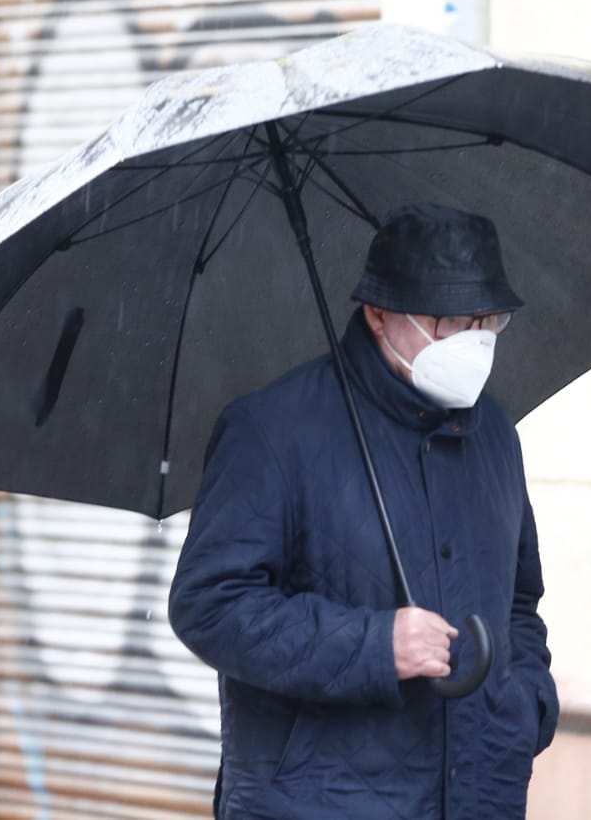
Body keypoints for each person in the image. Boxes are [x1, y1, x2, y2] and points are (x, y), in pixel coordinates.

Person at [168, 202, 558, 819]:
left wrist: (527, 707)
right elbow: (210, 604)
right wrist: (377, 645)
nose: (475, 341)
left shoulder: (494, 435)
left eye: (490, 320)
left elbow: (518, 600)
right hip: (319, 802)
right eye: (453, 319)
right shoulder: (272, 430)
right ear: (379, 314)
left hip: (479, 796)